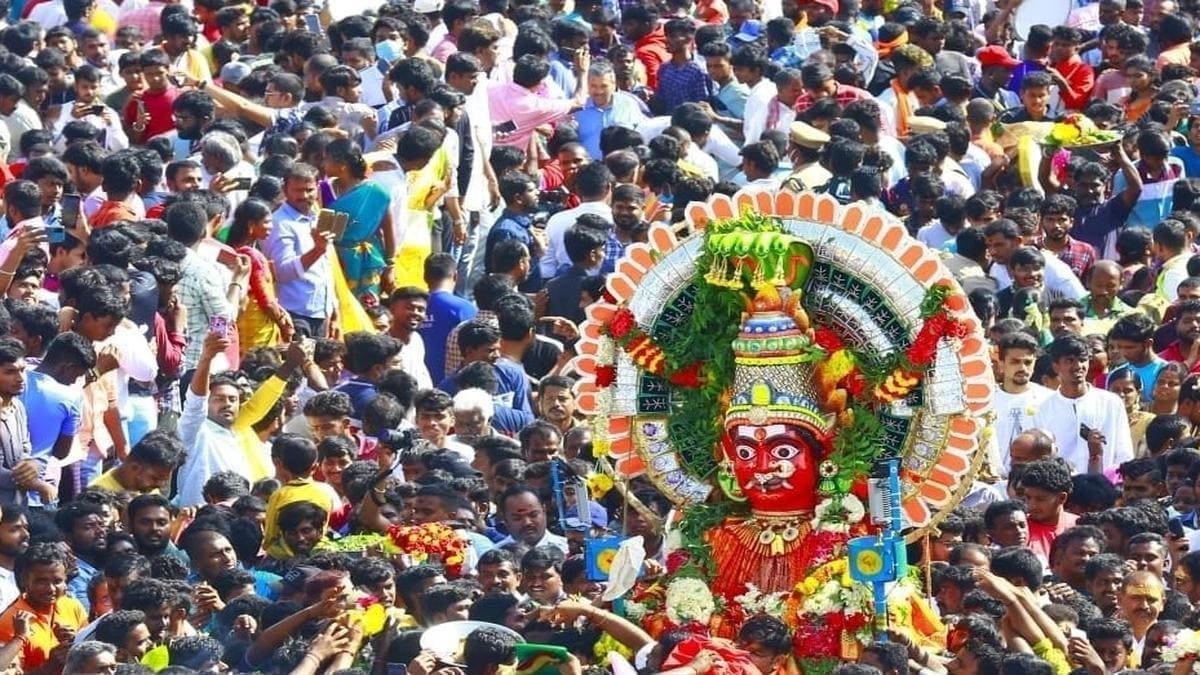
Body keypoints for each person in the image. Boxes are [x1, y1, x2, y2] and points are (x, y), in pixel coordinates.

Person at [323, 137, 396, 304]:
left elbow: (388, 231)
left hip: (365, 262)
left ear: (341, 164)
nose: (323, 164)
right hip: (332, 259)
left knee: (366, 310)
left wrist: (390, 266)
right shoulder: (325, 188)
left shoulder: (376, 192)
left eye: (326, 159)